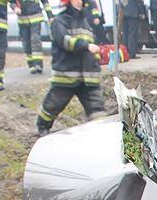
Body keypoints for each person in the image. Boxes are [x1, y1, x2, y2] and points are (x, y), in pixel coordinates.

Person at [36, 0, 105, 136]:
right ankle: (42, 128)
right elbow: (65, 41)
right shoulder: (59, 21)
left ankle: (101, 135)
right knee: (53, 105)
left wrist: (97, 60)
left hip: (88, 78)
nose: (79, 2)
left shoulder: (85, 22)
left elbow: (92, 47)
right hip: (66, 76)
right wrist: (86, 46)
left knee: (98, 111)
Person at [14, 0, 53, 74]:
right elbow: (11, 2)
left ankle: (38, 64)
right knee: (26, 43)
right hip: (22, 20)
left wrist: (50, 16)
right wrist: (14, 7)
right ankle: (31, 65)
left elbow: (45, 2)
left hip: (36, 17)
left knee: (35, 40)